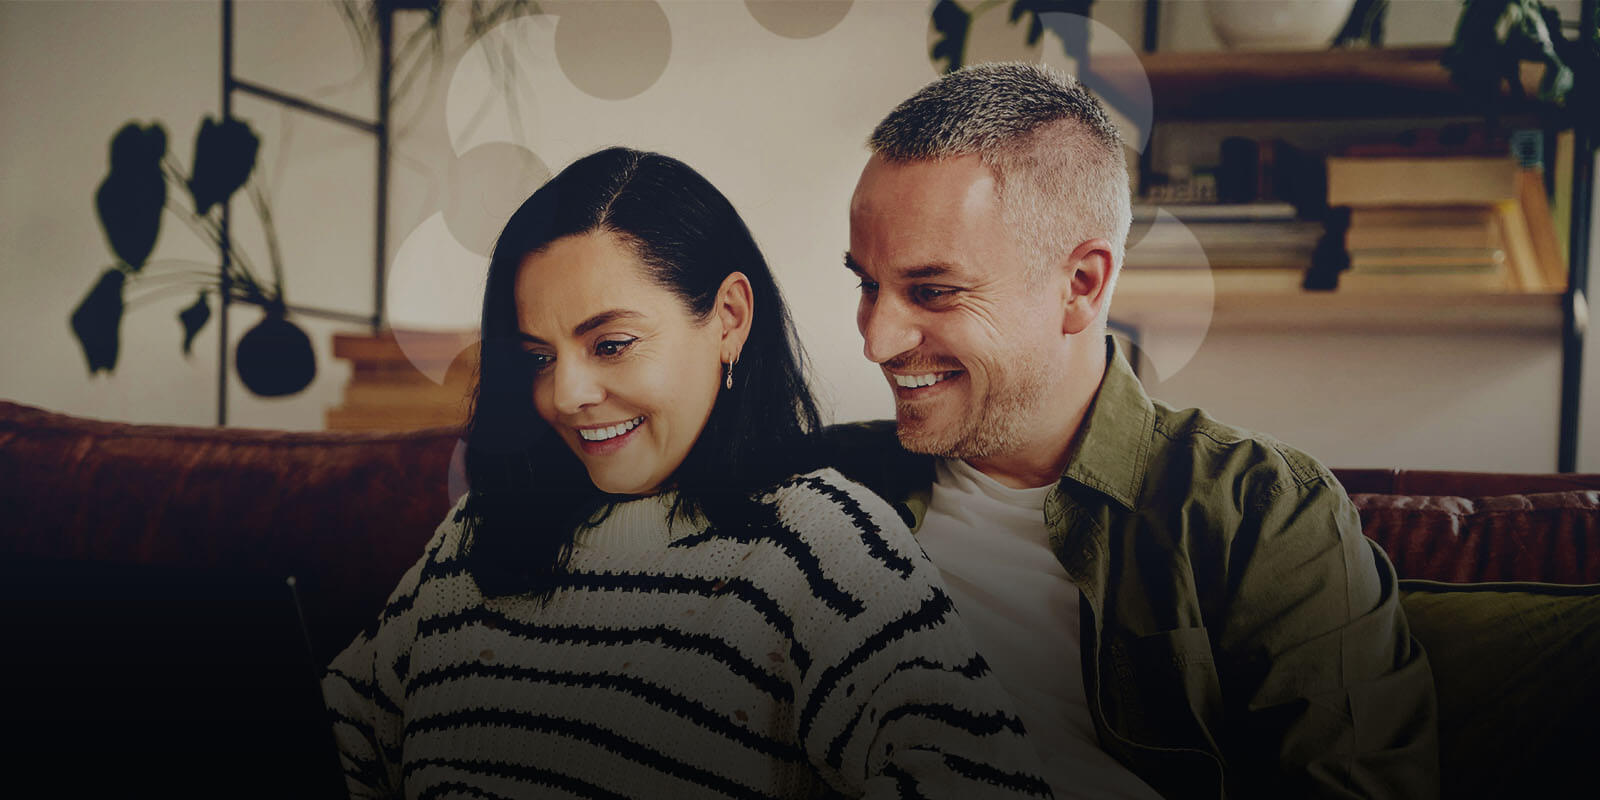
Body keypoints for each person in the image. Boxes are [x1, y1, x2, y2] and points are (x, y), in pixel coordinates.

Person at [322, 147, 1052, 799]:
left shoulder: (823, 548)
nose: (565, 395)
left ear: (729, 317)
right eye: (538, 358)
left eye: (610, 344)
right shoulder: (474, 538)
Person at [827, 63, 1439, 799]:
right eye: (868, 284)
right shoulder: (815, 492)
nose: (878, 340)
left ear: (1081, 286)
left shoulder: (1264, 516)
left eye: (934, 291)